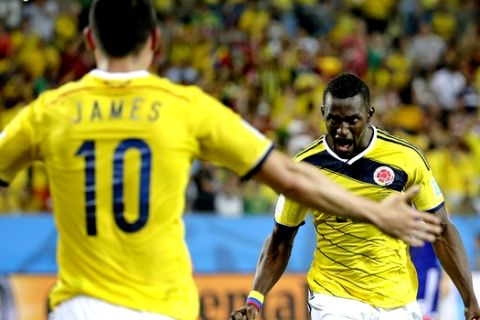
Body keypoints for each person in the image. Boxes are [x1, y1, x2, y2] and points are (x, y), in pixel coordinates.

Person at [0, 1, 441, 320]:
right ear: (156, 42)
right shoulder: (186, 107)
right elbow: (289, 176)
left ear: (89, 40)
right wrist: (372, 211)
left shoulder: (48, 111)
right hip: (162, 307)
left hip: (76, 307)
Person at [229, 73, 480, 320]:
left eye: (352, 120)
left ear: (370, 114)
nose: (342, 130)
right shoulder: (304, 167)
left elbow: (442, 230)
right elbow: (280, 239)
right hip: (333, 297)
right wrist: (255, 299)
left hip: (398, 300)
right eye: (334, 120)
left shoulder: (407, 159)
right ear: (322, 113)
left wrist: (470, 300)